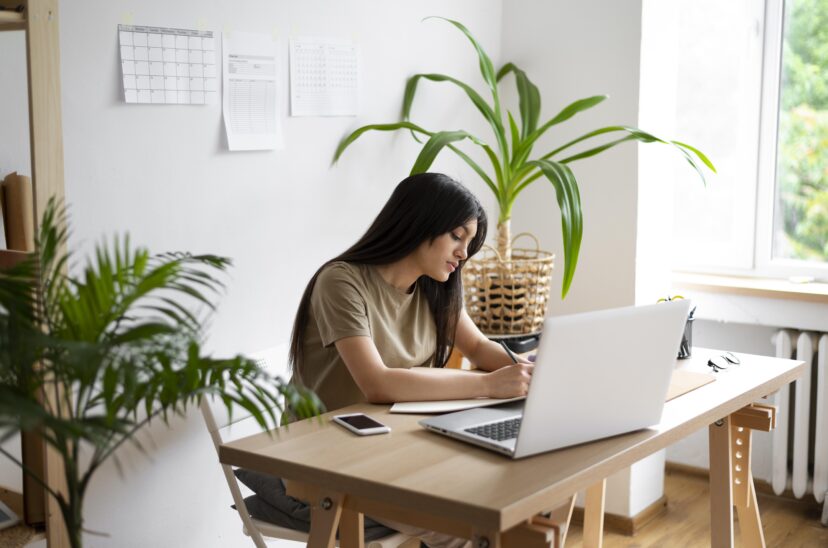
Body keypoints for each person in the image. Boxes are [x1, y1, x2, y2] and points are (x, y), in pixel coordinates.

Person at [287, 172, 533, 548]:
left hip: (396, 442)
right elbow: (378, 382)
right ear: (420, 223)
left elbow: (480, 349)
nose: (463, 254)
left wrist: (537, 372)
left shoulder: (436, 288)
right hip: (326, 455)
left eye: (469, 242)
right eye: (457, 236)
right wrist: (487, 384)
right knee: (468, 526)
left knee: (518, 496)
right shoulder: (341, 281)